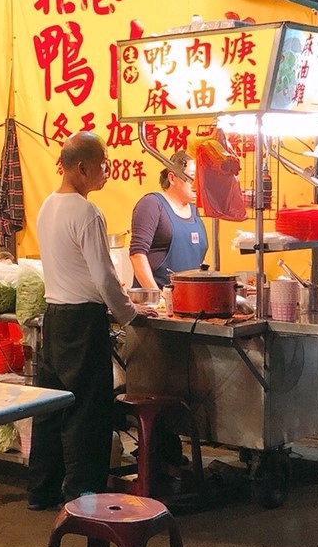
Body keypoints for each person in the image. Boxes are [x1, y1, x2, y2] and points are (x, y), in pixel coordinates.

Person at [29, 132, 152, 510]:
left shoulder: (48, 206)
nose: (107, 171)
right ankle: (82, 496)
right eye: (102, 164)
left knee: (50, 409)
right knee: (87, 411)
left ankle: (41, 491)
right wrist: (130, 314)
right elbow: (103, 278)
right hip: (82, 320)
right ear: (81, 168)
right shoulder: (86, 212)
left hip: (54, 318)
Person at [129, 153, 208, 289]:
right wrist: (158, 298)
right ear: (172, 178)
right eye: (192, 177)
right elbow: (137, 255)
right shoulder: (152, 204)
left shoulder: (194, 211)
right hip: (156, 302)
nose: (197, 184)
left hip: (189, 300)